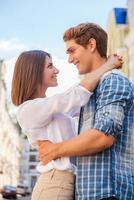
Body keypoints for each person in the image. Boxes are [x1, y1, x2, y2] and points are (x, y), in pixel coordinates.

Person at [38, 23, 134, 200]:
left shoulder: (112, 81)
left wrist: (54, 150)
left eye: (72, 51)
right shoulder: (91, 89)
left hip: (108, 193)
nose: (69, 59)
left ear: (91, 45)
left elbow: (102, 136)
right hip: (92, 194)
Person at [11, 50, 122, 200]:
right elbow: (76, 95)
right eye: (50, 66)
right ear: (34, 72)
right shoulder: (28, 109)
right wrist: (107, 65)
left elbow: (77, 99)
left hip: (66, 183)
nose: (56, 70)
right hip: (55, 184)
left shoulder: (51, 108)